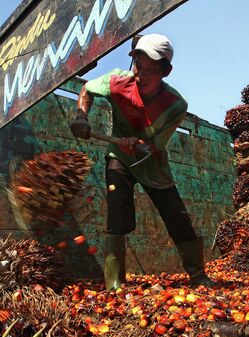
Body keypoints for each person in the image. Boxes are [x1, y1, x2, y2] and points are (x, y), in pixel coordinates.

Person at [70, 33, 215, 289]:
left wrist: (139, 144)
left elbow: (155, 146)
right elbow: (86, 89)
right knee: (117, 217)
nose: (142, 75)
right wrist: (82, 116)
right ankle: (114, 284)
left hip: (153, 165)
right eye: (138, 66)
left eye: (151, 70)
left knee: (177, 217)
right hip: (120, 160)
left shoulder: (175, 105)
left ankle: (198, 276)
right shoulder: (117, 82)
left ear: (166, 72)